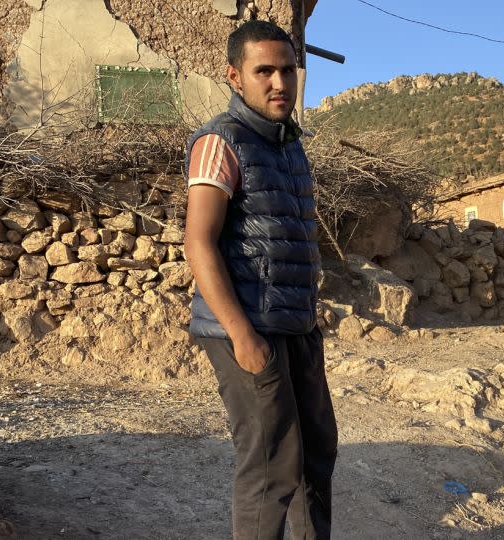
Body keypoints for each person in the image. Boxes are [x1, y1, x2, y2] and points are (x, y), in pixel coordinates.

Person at [183, 20, 337, 540]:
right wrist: (242, 336)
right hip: (248, 329)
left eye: (288, 70)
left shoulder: (290, 147)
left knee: (317, 452)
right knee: (272, 467)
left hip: (295, 326)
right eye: (264, 70)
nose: (279, 83)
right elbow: (199, 242)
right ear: (234, 76)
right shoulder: (219, 142)